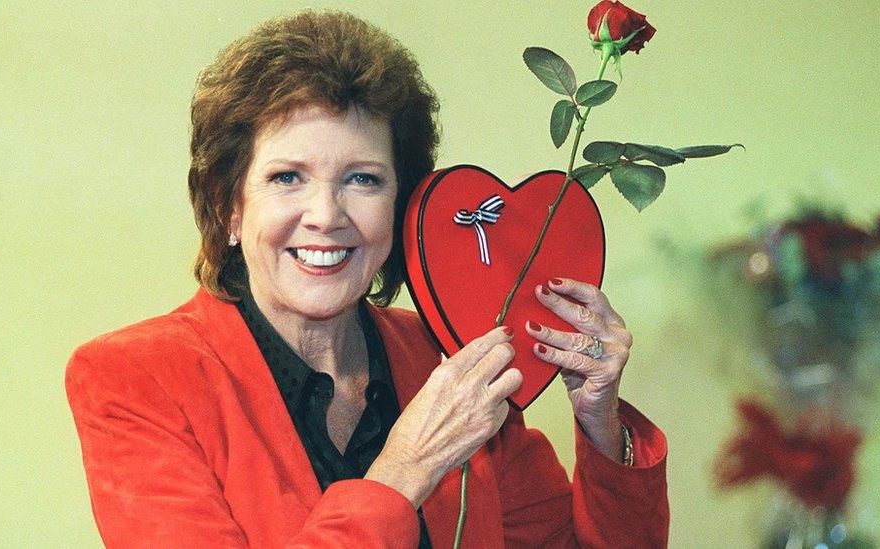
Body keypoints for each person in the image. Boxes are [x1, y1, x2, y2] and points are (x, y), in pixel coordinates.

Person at [65, 9, 668, 548]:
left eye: (363, 179)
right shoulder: (134, 379)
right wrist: (404, 470)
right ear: (228, 208)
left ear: (402, 206)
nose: (326, 216)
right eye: (286, 178)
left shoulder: (448, 357)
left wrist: (600, 422)